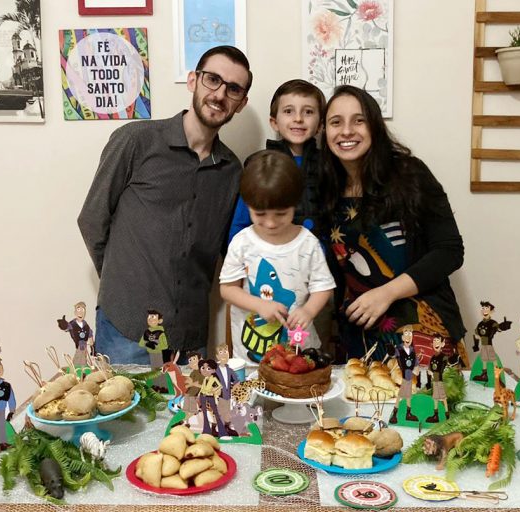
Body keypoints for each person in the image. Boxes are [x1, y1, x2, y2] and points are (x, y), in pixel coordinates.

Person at [78, 46, 252, 363]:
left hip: (190, 337)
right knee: (120, 398)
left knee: (195, 400)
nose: (219, 94)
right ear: (193, 80)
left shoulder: (231, 171)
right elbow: (92, 219)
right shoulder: (135, 141)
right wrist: (126, 282)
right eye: (213, 79)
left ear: (241, 103)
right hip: (127, 328)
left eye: (233, 88)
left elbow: (227, 250)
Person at [318, 85, 466, 363]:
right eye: (336, 122)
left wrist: (387, 293)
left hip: (421, 327)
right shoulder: (324, 186)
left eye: (358, 121)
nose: (346, 131)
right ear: (324, 131)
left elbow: (449, 251)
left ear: (374, 126)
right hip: (358, 334)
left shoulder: (410, 174)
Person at [219, 150, 336, 362]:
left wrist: (308, 311)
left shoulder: (307, 242)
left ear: (295, 205)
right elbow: (228, 289)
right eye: (260, 214)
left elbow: (323, 287)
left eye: (281, 214)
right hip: (251, 358)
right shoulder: (242, 242)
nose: (271, 223)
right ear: (248, 206)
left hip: (298, 352)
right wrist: (259, 305)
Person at [228, 79, 326, 240]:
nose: (298, 118)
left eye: (308, 112)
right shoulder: (259, 165)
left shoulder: (328, 164)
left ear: (320, 125)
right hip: (272, 252)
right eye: (288, 111)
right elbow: (240, 223)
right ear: (274, 122)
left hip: (318, 252)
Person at [471, 301, 511, 383]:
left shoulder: (492, 323)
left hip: (489, 344)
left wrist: (503, 327)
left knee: (493, 359)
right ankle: (484, 375)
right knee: (484, 359)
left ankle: (498, 376)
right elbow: (476, 334)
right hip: (483, 344)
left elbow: (498, 328)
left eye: (487, 308)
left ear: (491, 311)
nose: (484, 310)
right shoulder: (480, 324)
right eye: (483, 308)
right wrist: (476, 345)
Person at [139, 310, 169, 392]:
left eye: (153, 317)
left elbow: (165, 346)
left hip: (159, 354)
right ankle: (156, 385)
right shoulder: (147, 332)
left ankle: (163, 387)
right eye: (149, 316)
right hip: (151, 354)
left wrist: (156, 344)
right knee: (153, 370)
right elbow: (141, 343)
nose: (150, 319)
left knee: (159, 370)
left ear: (160, 321)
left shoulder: (160, 333)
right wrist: (148, 343)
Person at [57, 301, 94, 366]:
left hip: (85, 344)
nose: (81, 313)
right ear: (75, 313)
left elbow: (89, 332)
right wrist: (63, 324)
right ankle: (78, 367)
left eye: (83, 310)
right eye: (78, 310)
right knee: (79, 355)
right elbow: (67, 327)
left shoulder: (85, 324)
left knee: (83, 355)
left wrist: (91, 340)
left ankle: (80, 366)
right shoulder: (73, 324)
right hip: (79, 344)